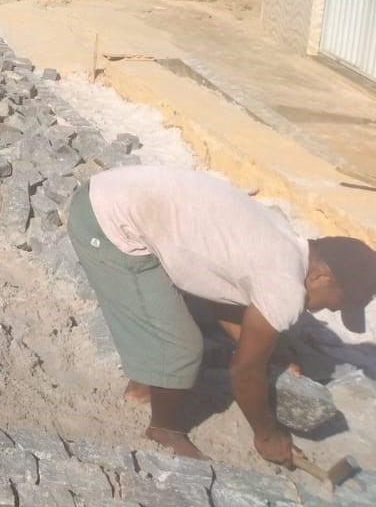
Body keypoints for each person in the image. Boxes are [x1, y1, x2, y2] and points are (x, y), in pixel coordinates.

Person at [68, 165, 375, 463]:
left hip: (117, 191)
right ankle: (163, 430)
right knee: (180, 348)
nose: (333, 309)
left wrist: (268, 356)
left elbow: (223, 295)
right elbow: (243, 373)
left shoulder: (284, 239)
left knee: (175, 328)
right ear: (321, 277)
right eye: (340, 302)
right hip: (105, 222)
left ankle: (148, 379)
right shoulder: (285, 285)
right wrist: (266, 434)